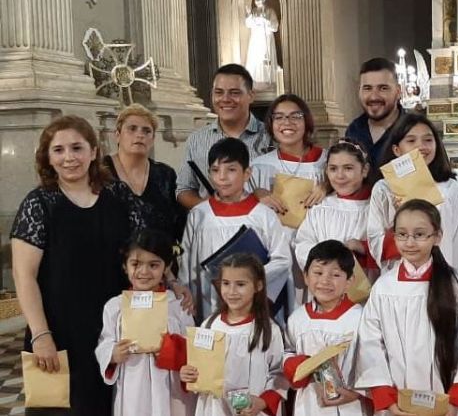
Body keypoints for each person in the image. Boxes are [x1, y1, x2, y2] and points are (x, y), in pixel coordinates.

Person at [11, 115, 146, 415]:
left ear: (94, 150)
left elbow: (145, 252)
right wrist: (41, 334)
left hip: (113, 327)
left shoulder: (118, 195)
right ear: (48, 157)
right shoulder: (39, 204)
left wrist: (172, 283)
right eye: (58, 150)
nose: (69, 157)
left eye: (77, 147)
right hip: (60, 330)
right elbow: (24, 276)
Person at [356, 200, 458, 416]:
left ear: (437, 236)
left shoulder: (456, 283)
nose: (409, 242)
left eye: (419, 234)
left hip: (443, 399)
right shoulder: (384, 286)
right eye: (401, 234)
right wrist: (388, 400)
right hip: (397, 401)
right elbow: (370, 344)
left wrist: (455, 399)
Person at [180, 137, 291, 320]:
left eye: (231, 170)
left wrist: (249, 281)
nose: (222, 177)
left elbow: (282, 260)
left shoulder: (263, 215)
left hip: (252, 303)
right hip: (208, 301)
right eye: (215, 171)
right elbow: (187, 264)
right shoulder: (199, 214)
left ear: (247, 173)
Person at [367, 113, 458, 286]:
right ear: (397, 150)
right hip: (400, 278)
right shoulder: (384, 189)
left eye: (428, 140)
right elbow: (375, 240)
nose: (421, 146)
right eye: (411, 141)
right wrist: (402, 222)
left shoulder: (449, 187)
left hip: (442, 277)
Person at [95, 229, 196, 416]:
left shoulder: (177, 305)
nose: (144, 272)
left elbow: (193, 346)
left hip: (169, 385)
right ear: (125, 266)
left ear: (167, 267)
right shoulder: (115, 307)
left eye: (153, 265)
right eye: (136, 264)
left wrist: (169, 350)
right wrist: (112, 354)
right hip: (132, 382)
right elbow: (105, 341)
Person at [180, 253, 288, 416]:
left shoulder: (269, 330)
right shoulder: (209, 326)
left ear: (258, 286)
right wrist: (188, 373)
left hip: (253, 410)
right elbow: (198, 368)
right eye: (226, 283)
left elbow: (279, 372)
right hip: (214, 409)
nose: (231, 291)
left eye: (240, 284)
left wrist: (263, 401)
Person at [283, 240, 368, 415]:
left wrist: (356, 393)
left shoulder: (360, 318)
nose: (325, 281)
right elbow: (287, 352)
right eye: (318, 273)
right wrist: (300, 364)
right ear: (306, 276)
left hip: (349, 406)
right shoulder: (297, 319)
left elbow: (374, 362)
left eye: (335, 275)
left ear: (349, 281)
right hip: (308, 404)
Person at [176, 64, 272, 210]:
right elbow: (183, 189)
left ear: (251, 96)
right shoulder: (196, 139)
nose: (225, 99)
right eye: (219, 92)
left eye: (234, 93)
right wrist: (211, 209)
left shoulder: (270, 137)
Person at [294, 139, 381, 279]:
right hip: (325, 283)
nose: (340, 176)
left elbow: (389, 244)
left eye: (348, 168)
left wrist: (363, 247)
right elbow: (303, 243)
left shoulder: (377, 207)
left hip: (366, 284)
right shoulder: (321, 208)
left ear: (364, 170)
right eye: (333, 168)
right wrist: (326, 261)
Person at [104, 103, 186, 243]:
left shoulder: (165, 175)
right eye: (132, 129)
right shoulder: (100, 171)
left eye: (146, 131)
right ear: (117, 135)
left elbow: (179, 225)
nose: (140, 135)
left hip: (156, 260)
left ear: (153, 139)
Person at [252, 93, 327, 217]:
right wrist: (255, 194)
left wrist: (327, 186)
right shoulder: (259, 166)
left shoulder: (327, 160)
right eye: (279, 117)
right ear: (271, 123)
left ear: (306, 121)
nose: (287, 122)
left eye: (295, 116)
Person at [345, 58, 405, 173]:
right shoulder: (353, 130)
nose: (374, 97)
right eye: (367, 88)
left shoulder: (414, 129)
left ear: (398, 91)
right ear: (359, 91)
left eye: (383, 88)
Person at [244, 0, 279, 85]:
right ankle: (255, 82)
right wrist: (249, 15)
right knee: (255, 61)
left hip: (265, 39)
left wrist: (264, 20)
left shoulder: (270, 11)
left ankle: (267, 81)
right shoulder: (254, 11)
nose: (257, 1)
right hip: (256, 39)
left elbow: (275, 27)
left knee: (265, 61)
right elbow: (248, 24)